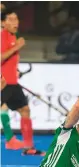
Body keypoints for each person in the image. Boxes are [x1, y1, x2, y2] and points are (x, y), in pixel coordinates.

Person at [1, 8, 44, 155]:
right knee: (2, 110)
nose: (15, 22)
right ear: (2, 23)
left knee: (25, 110)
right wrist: (17, 47)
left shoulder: (14, 36)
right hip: (4, 82)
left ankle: (28, 147)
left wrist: (15, 71)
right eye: (11, 19)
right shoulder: (2, 36)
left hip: (13, 82)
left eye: (16, 19)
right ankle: (10, 140)